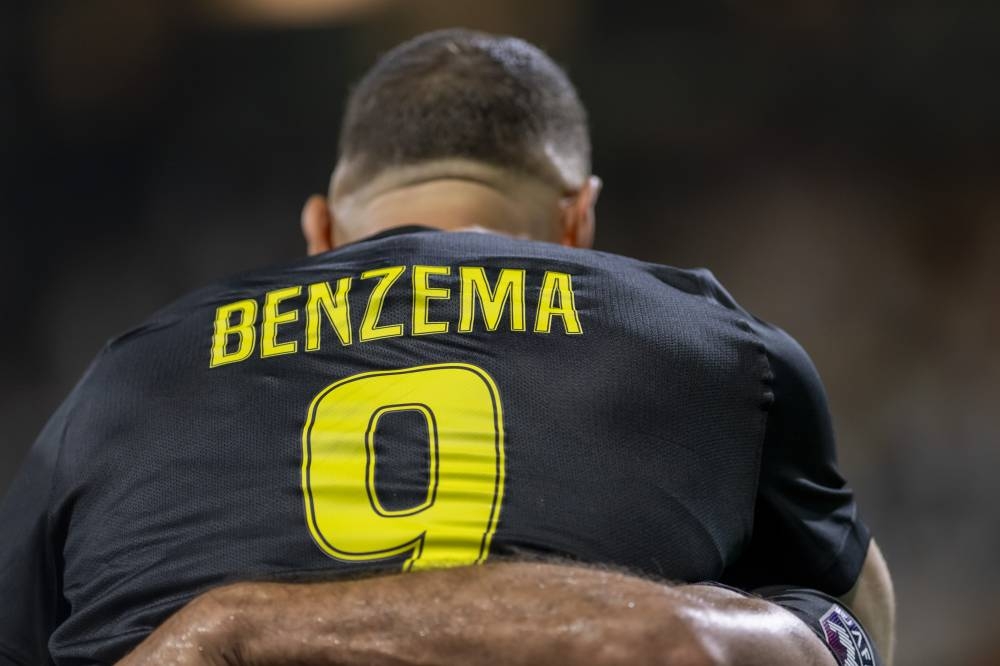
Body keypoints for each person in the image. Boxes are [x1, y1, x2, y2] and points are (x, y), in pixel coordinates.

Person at [0, 29, 894, 666]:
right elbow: (859, 626)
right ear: (578, 222)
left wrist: (240, 625)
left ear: (321, 232)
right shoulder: (708, 338)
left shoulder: (123, 375)